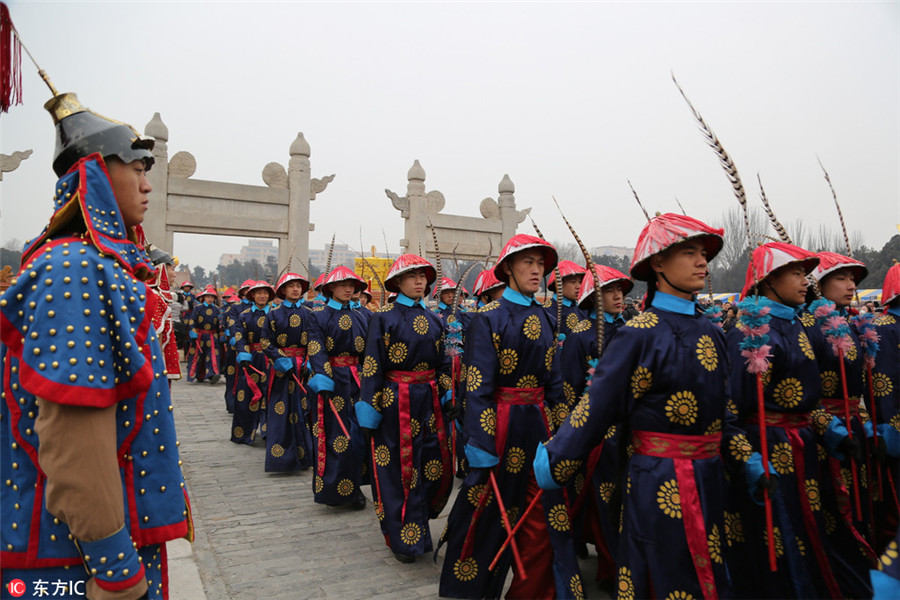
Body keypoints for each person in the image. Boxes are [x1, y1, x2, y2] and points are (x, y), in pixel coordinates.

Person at [0, 93, 192, 599]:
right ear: (95, 172)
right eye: (137, 167)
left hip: (93, 539)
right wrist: (114, 569)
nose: (148, 184)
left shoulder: (96, 264)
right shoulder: (74, 267)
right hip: (73, 557)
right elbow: (73, 438)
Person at [535, 213, 732, 600]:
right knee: (664, 575)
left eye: (704, 254)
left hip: (712, 479)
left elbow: (726, 410)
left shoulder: (714, 331)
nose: (702, 263)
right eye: (689, 252)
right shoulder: (638, 335)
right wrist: (558, 458)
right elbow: (597, 405)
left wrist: (748, 459)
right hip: (658, 480)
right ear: (658, 263)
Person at [439, 234, 583, 599]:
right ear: (507, 270)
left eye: (541, 265)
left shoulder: (549, 317)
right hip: (501, 424)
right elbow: (478, 385)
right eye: (527, 263)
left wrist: (565, 434)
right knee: (486, 509)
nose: (537, 271)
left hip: (539, 423)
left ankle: (535, 591)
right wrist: (480, 440)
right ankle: (469, 588)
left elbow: (556, 384)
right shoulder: (488, 318)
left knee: (546, 512)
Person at [725, 242, 856, 598]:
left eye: (805, 273)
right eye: (796, 273)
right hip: (767, 447)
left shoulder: (797, 324)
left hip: (804, 449)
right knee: (778, 539)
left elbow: (804, 398)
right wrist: (748, 460)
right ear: (769, 280)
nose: (805, 281)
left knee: (809, 532)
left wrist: (832, 430)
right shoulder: (750, 331)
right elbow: (732, 408)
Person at [357, 254, 453, 563]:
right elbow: (372, 365)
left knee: (429, 464)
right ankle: (401, 537)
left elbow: (443, 363)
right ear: (397, 282)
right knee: (398, 468)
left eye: (423, 276)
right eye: (412, 276)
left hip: (429, 401)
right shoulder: (382, 317)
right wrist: (370, 405)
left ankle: (420, 529)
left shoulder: (437, 319)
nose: (419, 281)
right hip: (394, 400)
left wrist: (448, 391)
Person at [807, 251, 878, 598]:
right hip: (822, 435)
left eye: (854, 279)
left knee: (860, 505)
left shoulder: (851, 323)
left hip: (853, 426)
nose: (851, 286)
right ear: (818, 284)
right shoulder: (807, 327)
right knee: (833, 512)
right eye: (842, 278)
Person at [306, 266, 371, 508]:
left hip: (360, 380)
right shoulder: (318, 316)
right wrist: (322, 375)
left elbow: (371, 352)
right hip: (332, 383)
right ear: (331, 288)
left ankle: (355, 485)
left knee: (359, 435)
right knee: (336, 437)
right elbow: (316, 347)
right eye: (343, 284)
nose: (348, 289)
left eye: (352, 285)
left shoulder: (364, 315)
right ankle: (336, 491)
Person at [257, 272, 317, 473]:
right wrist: (279, 359)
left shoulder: (310, 314)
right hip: (281, 371)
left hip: (304, 369)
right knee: (280, 411)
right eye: (291, 286)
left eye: (299, 286)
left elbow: (316, 341)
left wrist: (310, 362)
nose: (296, 289)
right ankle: (281, 459)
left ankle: (305, 456)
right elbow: (266, 342)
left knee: (304, 411)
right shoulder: (273, 314)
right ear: (282, 290)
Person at [232, 280, 276, 445]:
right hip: (251, 360)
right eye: (258, 293)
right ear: (252, 295)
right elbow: (239, 337)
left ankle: (269, 431)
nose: (262, 296)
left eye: (265, 293)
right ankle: (243, 432)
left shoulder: (275, 313)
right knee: (247, 396)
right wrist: (243, 353)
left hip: (272, 359)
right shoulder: (244, 316)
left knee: (271, 395)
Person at [221, 280, 253, 413]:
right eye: (247, 290)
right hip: (237, 349)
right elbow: (232, 324)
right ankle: (232, 404)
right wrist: (234, 337)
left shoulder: (262, 308)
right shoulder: (235, 307)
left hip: (256, 349)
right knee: (233, 377)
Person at [185, 284, 222, 384]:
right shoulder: (198, 308)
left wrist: (222, 335)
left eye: (212, 297)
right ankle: (198, 374)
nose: (210, 299)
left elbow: (220, 326)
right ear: (204, 297)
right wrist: (192, 331)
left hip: (212, 336)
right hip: (199, 336)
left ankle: (212, 374)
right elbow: (192, 321)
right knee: (198, 356)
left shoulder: (218, 310)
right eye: (208, 297)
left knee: (213, 356)